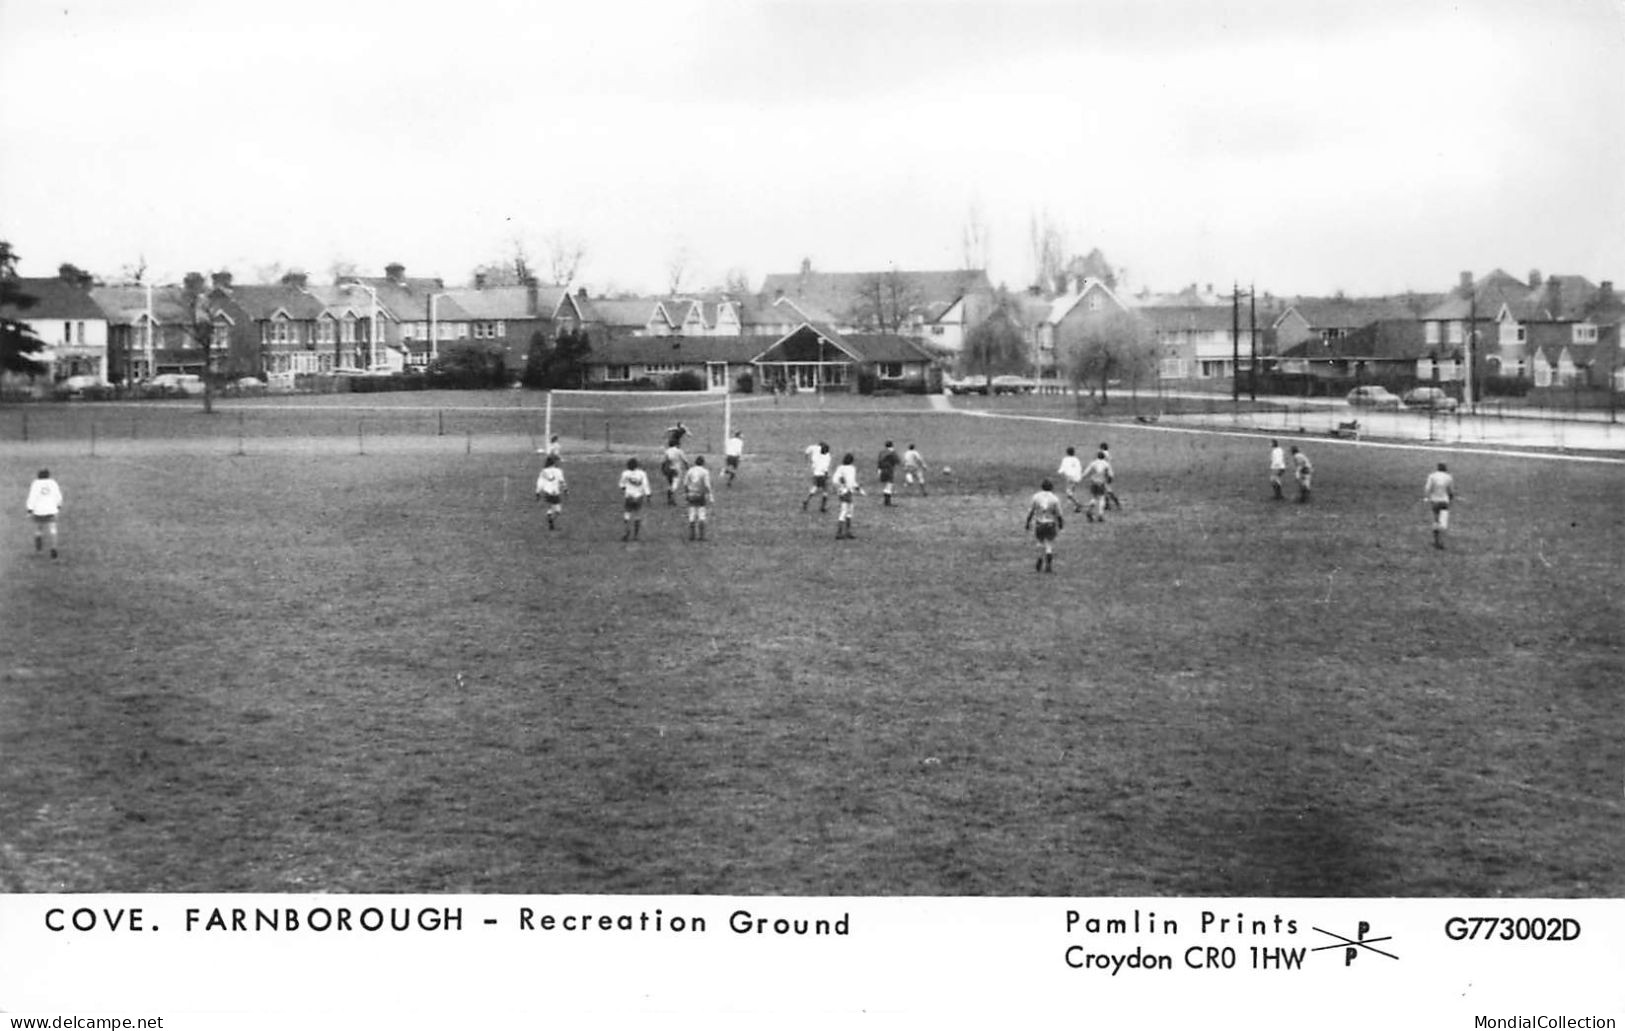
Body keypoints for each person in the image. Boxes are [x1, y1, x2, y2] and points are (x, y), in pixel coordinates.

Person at [1025, 478, 1064, 573]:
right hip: (1050, 523)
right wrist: (1060, 523)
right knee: (1049, 544)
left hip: (1039, 523)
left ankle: (1039, 558)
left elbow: (1031, 511)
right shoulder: (1054, 499)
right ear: (1051, 487)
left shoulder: (1036, 497)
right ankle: (1048, 563)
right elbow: (1059, 513)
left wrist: (1028, 521)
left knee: (1040, 542)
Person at [26, 468, 62, 559]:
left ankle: (39, 549)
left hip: (39, 510)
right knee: (53, 529)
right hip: (51, 509)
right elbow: (58, 496)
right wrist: (58, 506)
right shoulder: (53, 483)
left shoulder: (36, 484)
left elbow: (32, 497)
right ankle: (54, 547)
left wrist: (30, 510)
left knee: (39, 529)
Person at [1423, 461, 1457, 549]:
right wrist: (1451, 499)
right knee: (1443, 522)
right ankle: (1442, 542)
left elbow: (1427, 488)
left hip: (1435, 501)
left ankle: (1436, 541)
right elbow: (1451, 491)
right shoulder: (1449, 477)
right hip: (1445, 501)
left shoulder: (1432, 476)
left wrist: (1427, 497)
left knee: (1436, 521)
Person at [618, 457, 653, 541]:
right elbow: (645, 484)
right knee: (637, 514)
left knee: (627, 513)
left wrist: (625, 489)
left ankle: (626, 529)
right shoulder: (642, 473)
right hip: (639, 497)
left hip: (629, 496)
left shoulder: (625, 473)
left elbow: (621, 485)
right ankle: (636, 535)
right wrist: (648, 495)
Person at [832, 452, 865, 539]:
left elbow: (835, 480)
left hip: (842, 491)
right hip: (847, 492)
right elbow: (852, 482)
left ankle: (845, 532)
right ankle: (842, 532)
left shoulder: (840, 468)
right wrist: (859, 489)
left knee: (848, 511)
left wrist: (840, 486)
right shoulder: (851, 469)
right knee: (846, 511)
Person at [682, 456, 714, 541]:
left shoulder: (690, 471)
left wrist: (686, 493)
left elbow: (685, 483)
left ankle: (692, 535)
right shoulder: (704, 472)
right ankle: (701, 536)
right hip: (700, 495)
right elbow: (707, 485)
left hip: (691, 494)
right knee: (701, 514)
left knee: (692, 514)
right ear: (703, 463)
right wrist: (710, 495)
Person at [533, 454, 567, 531]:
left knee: (550, 507)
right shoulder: (558, 471)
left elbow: (540, 483)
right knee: (558, 511)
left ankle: (549, 518)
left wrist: (537, 492)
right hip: (555, 493)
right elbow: (562, 481)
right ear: (554, 462)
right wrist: (565, 490)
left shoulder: (543, 471)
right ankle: (551, 521)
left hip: (547, 492)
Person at [1082, 449, 1113, 523]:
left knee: (1094, 497)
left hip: (1093, 483)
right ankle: (1100, 514)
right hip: (1101, 483)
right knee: (1102, 498)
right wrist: (1109, 479)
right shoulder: (1106, 464)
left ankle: (1089, 510)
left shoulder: (1093, 463)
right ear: (1104, 457)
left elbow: (1086, 472)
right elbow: (1110, 474)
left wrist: (1082, 476)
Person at [802, 442, 833, 512]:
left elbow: (808, 450)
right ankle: (823, 507)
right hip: (822, 475)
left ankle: (806, 500)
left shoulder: (816, 451)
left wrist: (806, 458)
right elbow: (825, 469)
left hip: (815, 474)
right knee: (825, 490)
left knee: (815, 487)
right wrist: (827, 476)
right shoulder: (827, 457)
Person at [1057, 446, 1085, 513]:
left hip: (1070, 478)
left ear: (1067, 452)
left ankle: (1077, 504)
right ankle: (1075, 507)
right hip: (1077, 478)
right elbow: (1079, 468)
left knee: (1068, 493)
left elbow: (1062, 469)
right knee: (1072, 491)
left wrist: (1059, 472)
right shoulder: (1076, 459)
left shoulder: (1065, 459)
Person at [661, 441, 688, 505]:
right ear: (676, 444)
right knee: (675, 484)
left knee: (670, 484)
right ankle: (671, 493)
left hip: (669, 470)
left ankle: (671, 500)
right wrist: (688, 469)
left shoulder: (667, 451)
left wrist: (663, 470)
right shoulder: (679, 451)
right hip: (676, 470)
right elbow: (685, 461)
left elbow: (663, 462)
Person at [1099, 441, 1122, 511]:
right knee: (1104, 489)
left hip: (1107, 474)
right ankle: (1107, 504)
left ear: (1102, 448)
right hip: (1109, 474)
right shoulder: (1107, 453)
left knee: (1107, 490)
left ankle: (1116, 503)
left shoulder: (1104, 453)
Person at [876, 441, 901, 506]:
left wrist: (879, 469)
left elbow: (879, 461)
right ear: (892, 446)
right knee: (889, 485)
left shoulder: (881, 452)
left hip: (882, 470)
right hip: (889, 470)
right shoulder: (892, 452)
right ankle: (888, 502)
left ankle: (886, 501)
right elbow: (898, 461)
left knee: (886, 485)